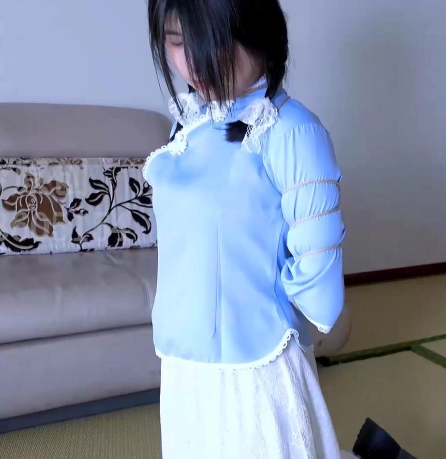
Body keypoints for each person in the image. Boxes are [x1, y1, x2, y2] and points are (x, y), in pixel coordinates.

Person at [144, 0, 348, 457]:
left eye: (210, 44)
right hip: (182, 351)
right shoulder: (190, 119)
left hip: (255, 358)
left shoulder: (292, 130)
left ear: (260, 37)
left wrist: (291, 314)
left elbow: (318, 259)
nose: (193, 63)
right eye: (176, 43)